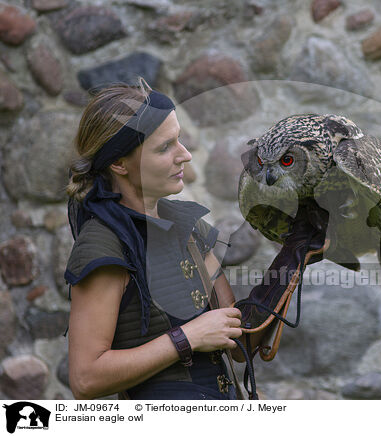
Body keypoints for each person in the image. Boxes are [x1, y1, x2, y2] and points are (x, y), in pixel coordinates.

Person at [63, 77, 254, 400]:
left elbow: (238, 343)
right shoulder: (105, 245)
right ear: (119, 163)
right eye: (165, 147)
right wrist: (187, 337)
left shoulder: (188, 228)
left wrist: (292, 258)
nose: (185, 156)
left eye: (178, 141)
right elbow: (85, 378)